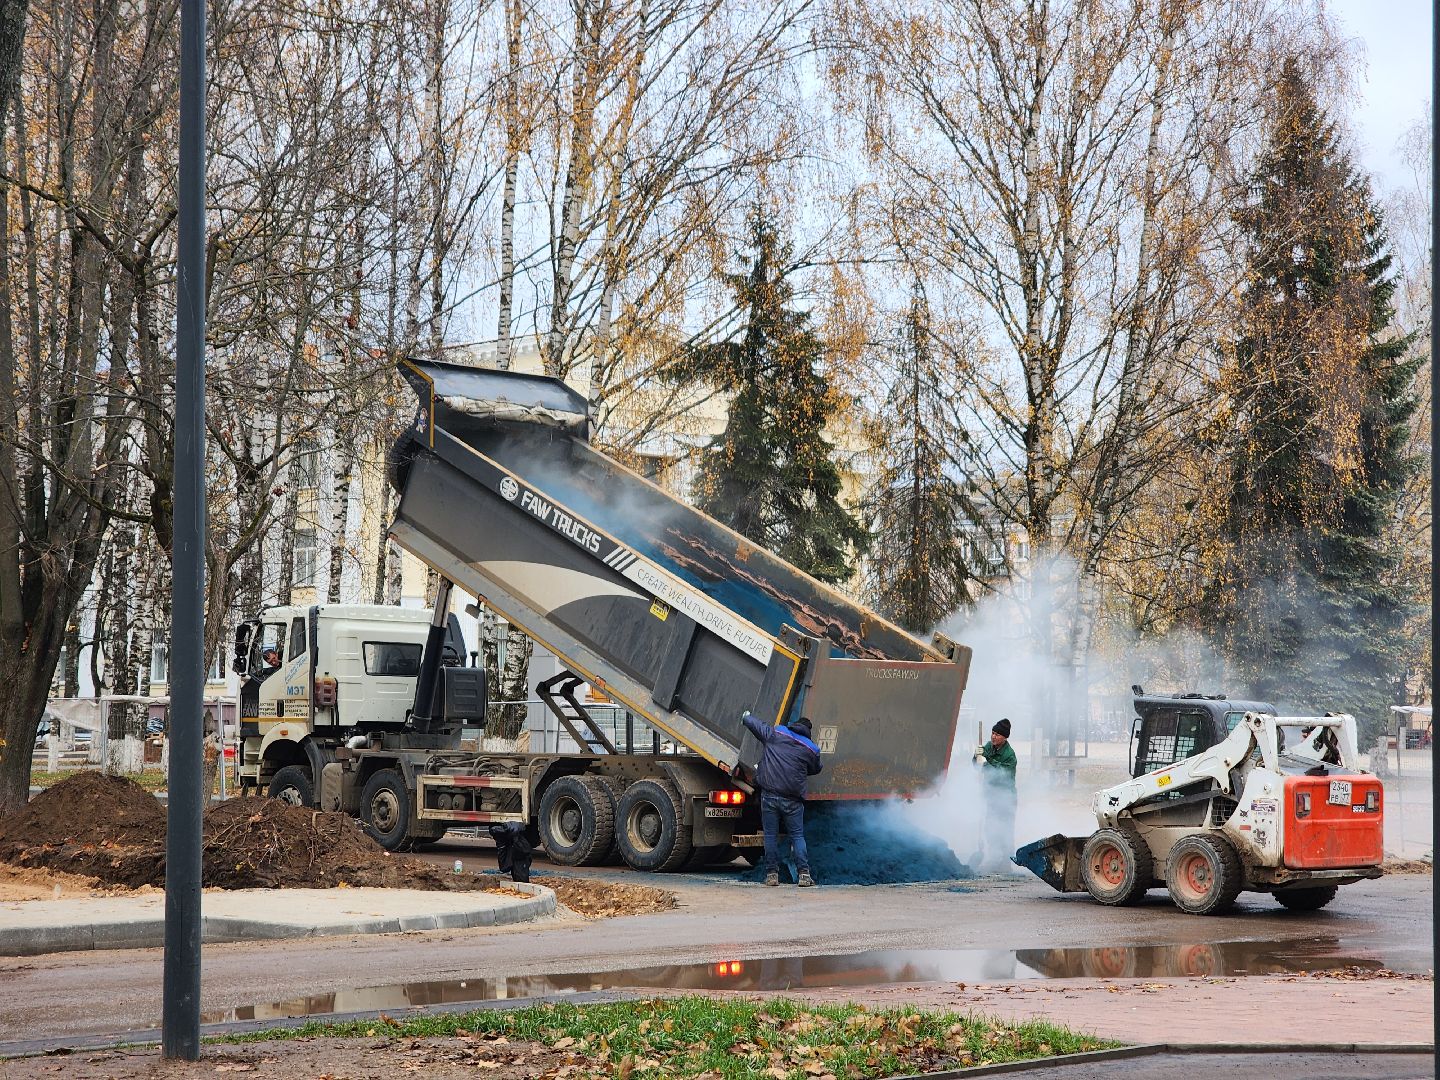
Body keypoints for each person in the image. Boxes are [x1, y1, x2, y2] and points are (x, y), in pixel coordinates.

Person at [741, 710, 823, 887]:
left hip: (769, 796)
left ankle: (771, 875)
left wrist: (746, 717)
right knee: (797, 836)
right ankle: (804, 875)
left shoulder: (777, 733)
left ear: (794, 725)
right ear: (808, 731)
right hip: (793, 801)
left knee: (770, 835)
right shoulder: (811, 748)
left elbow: (758, 727)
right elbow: (817, 768)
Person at [977, 717, 1018, 870]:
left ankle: (1006, 862)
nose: (993, 737)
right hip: (991, 796)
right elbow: (976, 765)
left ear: (1005, 737)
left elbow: (1003, 773)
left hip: (1006, 798)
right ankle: (994, 858)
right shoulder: (989, 746)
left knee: (1005, 829)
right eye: (992, 733)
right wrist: (976, 756)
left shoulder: (1010, 755)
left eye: (997, 734)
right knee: (991, 827)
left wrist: (987, 761)